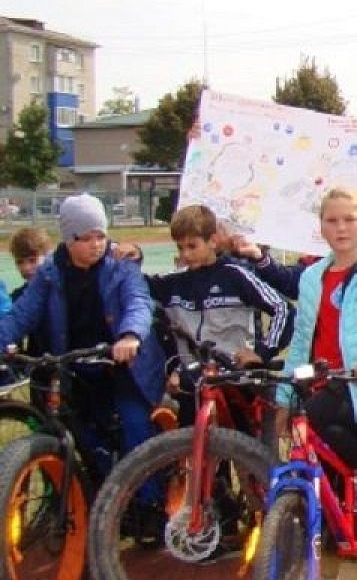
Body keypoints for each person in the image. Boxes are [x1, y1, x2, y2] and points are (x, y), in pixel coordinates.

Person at [0, 194, 167, 481]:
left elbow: (138, 302)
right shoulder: (50, 273)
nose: (96, 244)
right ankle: (102, 496)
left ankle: (148, 506)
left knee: (136, 428)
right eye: (86, 237)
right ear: (68, 239)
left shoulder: (121, 265)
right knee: (82, 436)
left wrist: (130, 335)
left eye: (101, 235)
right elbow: (21, 315)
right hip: (77, 370)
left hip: (126, 369)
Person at [277, 187, 357, 517]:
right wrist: (283, 396)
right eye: (332, 221)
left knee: (314, 416)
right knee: (307, 431)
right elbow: (302, 339)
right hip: (320, 379)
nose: (341, 228)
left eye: (349, 219)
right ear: (320, 228)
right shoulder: (312, 277)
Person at [147, 204, 294, 426]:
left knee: (247, 449)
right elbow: (138, 288)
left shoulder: (236, 276)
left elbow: (284, 309)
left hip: (236, 377)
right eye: (180, 248)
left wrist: (262, 354)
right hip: (192, 379)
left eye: (192, 246)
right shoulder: (172, 283)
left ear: (213, 241)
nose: (185, 254)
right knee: (193, 446)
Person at [8, 227, 53, 354]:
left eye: (32, 260)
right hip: (36, 366)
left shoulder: (62, 291)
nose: (26, 268)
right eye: (20, 262)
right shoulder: (18, 297)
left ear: (47, 256)